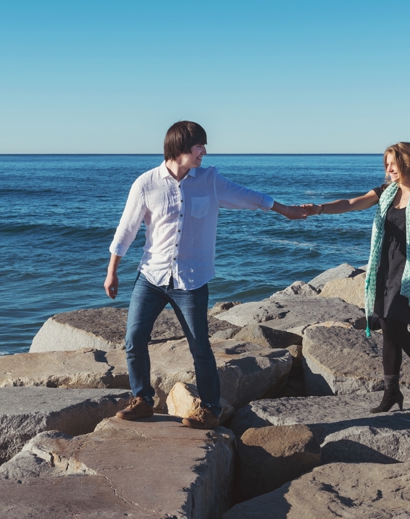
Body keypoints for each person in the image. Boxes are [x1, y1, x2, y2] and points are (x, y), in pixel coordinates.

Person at [105, 121, 307, 429]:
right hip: (152, 276)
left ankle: (211, 408)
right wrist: (112, 272)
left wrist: (285, 210)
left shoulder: (209, 180)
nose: (205, 151)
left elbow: (249, 197)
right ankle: (143, 400)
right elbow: (126, 230)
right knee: (133, 339)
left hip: (191, 279)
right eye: (199, 146)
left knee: (200, 346)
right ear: (181, 149)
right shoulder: (146, 184)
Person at [304, 142, 410, 412]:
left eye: (393, 162)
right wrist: (318, 209)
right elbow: (351, 203)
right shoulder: (384, 193)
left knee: (394, 328)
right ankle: (391, 392)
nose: (389, 168)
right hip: (381, 267)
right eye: (387, 164)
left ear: (408, 162)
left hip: (409, 269)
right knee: (389, 332)